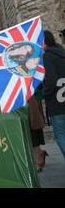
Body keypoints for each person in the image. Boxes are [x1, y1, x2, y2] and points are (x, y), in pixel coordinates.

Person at [42, 30, 65, 159]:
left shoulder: (48, 57)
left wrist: (45, 93)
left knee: (61, 136)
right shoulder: (62, 54)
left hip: (57, 104)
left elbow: (51, 80)